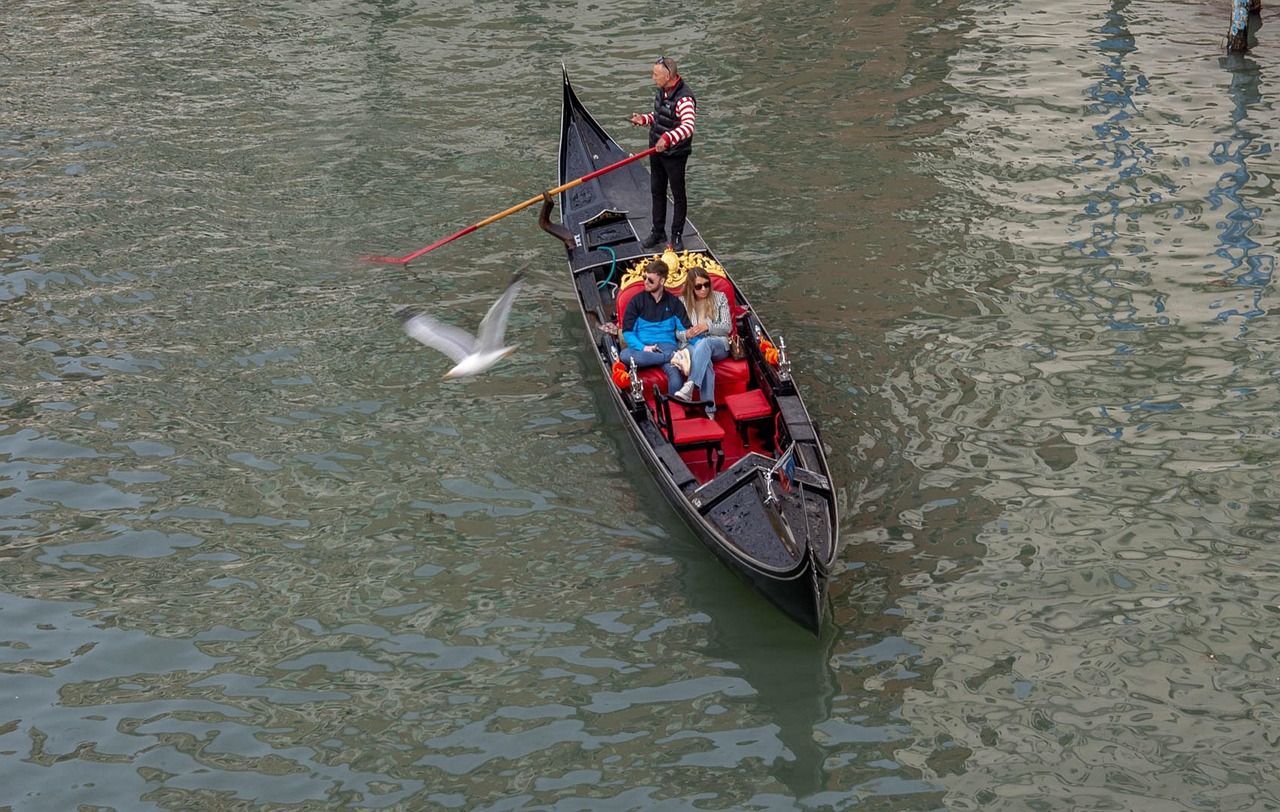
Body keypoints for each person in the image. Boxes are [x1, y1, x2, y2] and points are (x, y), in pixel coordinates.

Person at [629, 56, 696, 252]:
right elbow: (660, 117)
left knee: (678, 195)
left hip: (675, 154)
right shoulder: (662, 91)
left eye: (655, 75)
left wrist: (667, 138)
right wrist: (644, 119)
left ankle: (676, 235)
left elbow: (688, 127)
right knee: (657, 191)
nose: (653, 78)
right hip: (656, 151)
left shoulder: (684, 98)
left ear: (668, 76)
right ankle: (658, 231)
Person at [619, 259, 690, 394]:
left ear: (662, 281)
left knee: (674, 373)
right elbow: (627, 333)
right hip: (643, 348)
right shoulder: (636, 302)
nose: (646, 282)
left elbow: (685, 329)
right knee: (625, 355)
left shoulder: (674, 303)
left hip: (666, 345)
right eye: (645, 278)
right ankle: (672, 358)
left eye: (651, 280)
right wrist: (644, 348)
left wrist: (699, 345)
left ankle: (676, 406)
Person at [671, 266, 731, 417]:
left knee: (704, 344)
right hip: (691, 344)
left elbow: (727, 327)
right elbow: (677, 333)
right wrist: (687, 334)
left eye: (706, 284)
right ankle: (709, 412)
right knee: (706, 363)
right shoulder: (682, 303)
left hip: (717, 344)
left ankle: (690, 385)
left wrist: (707, 327)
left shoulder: (720, 297)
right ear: (691, 288)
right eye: (698, 286)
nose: (704, 289)